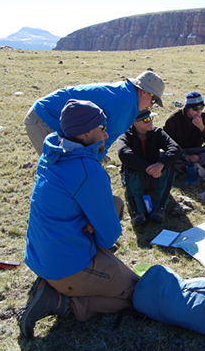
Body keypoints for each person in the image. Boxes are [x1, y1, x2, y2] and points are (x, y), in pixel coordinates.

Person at [18, 100, 139, 338]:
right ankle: (61, 301)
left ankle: (61, 283)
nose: (106, 134)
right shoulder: (87, 170)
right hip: (65, 265)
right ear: (85, 132)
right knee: (137, 292)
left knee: (115, 203)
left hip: (41, 253)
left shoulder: (52, 149)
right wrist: (96, 226)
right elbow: (109, 238)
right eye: (102, 128)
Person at [23, 70, 165, 157]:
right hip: (45, 118)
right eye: (153, 100)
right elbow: (103, 138)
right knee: (60, 170)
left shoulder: (125, 93)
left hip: (47, 114)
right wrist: (96, 161)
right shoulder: (127, 104)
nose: (151, 106)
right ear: (143, 91)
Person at [117, 110, 182, 226]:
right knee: (129, 169)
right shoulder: (125, 136)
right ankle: (138, 212)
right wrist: (147, 168)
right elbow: (123, 153)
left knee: (169, 166)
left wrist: (160, 164)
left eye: (151, 118)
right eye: (146, 120)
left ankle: (159, 208)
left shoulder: (157, 133)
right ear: (135, 123)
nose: (150, 121)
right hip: (139, 174)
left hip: (156, 174)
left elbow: (175, 148)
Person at [163, 91, 205, 169]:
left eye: (201, 108)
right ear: (188, 109)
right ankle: (192, 164)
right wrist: (185, 155)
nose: (199, 111)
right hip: (178, 151)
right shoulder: (174, 118)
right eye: (195, 108)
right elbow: (166, 142)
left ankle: (184, 165)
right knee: (160, 153)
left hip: (195, 151)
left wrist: (202, 128)